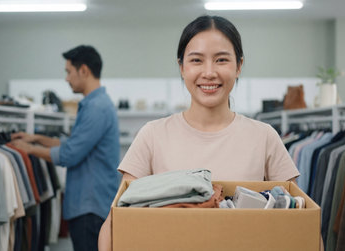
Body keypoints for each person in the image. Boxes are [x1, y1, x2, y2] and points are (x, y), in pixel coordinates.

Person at [98, 15, 300, 250]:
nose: (209, 72)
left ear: (239, 66)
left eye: (221, 60)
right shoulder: (152, 135)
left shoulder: (264, 137)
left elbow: (299, 218)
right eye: (196, 60)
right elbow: (116, 222)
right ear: (182, 67)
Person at [11, 45, 120, 251]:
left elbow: (70, 154)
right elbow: (74, 143)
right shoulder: (94, 104)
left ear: (84, 71)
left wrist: (28, 149)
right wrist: (38, 139)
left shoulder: (97, 108)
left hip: (90, 207)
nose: (67, 79)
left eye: (69, 72)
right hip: (89, 205)